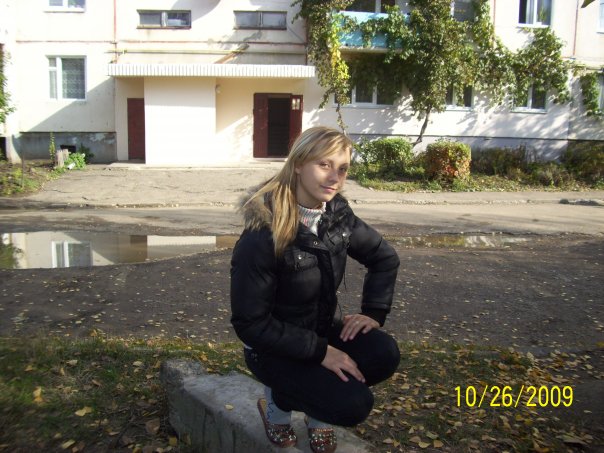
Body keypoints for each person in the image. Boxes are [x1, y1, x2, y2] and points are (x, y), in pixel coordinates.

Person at [230, 126, 400, 453]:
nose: (335, 177)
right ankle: (276, 406)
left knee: (384, 353)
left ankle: (316, 415)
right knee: (352, 405)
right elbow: (250, 324)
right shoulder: (262, 235)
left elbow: (384, 258)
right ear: (298, 164)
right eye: (324, 165)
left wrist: (374, 312)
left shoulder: (337, 215)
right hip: (271, 350)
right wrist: (322, 352)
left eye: (343, 168)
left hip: (319, 330)